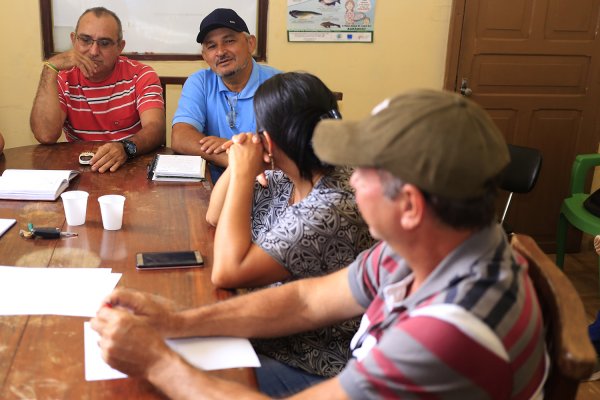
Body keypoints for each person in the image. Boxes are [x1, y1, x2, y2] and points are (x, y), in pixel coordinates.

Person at [91, 89, 548, 399]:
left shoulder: (447, 332)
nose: (348, 179)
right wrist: (177, 323)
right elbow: (309, 301)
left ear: (409, 205)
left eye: (362, 168)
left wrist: (157, 361)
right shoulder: (434, 244)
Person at [206, 72, 374, 391]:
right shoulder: (295, 174)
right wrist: (239, 164)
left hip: (312, 364)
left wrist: (242, 173)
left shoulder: (332, 205)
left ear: (268, 142)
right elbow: (215, 216)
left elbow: (227, 272)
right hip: (272, 336)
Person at [30, 7, 165, 173]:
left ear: (120, 47)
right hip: (81, 170)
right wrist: (49, 69)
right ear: (73, 40)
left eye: (104, 43)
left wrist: (125, 148)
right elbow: (45, 135)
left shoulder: (141, 75)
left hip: (131, 166)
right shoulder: (62, 78)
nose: (93, 52)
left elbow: (156, 128)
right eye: (85, 40)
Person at [171, 8, 280, 182]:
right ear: (205, 56)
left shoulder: (278, 84)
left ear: (250, 43)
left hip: (268, 184)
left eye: (229, 41)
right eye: (211, 46)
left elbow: (288, 148)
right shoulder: (200, 82)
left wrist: (229, 151)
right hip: (214, 186)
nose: (220, 52)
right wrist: (231, 156)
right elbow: (181, 137)